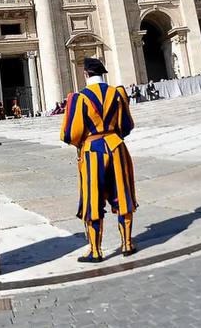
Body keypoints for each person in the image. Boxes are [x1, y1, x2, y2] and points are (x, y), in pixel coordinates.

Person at [60, 57, 137, 263]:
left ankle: (95, 250)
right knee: (123, 193)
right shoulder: (117, 93)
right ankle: (127, 244)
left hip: (92, 150)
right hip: (116, 146)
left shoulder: (79, 98)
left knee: (92, 198)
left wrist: (83, 142)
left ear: (85, 74)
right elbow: (127, 125)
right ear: (103, 73)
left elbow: (70, 133)